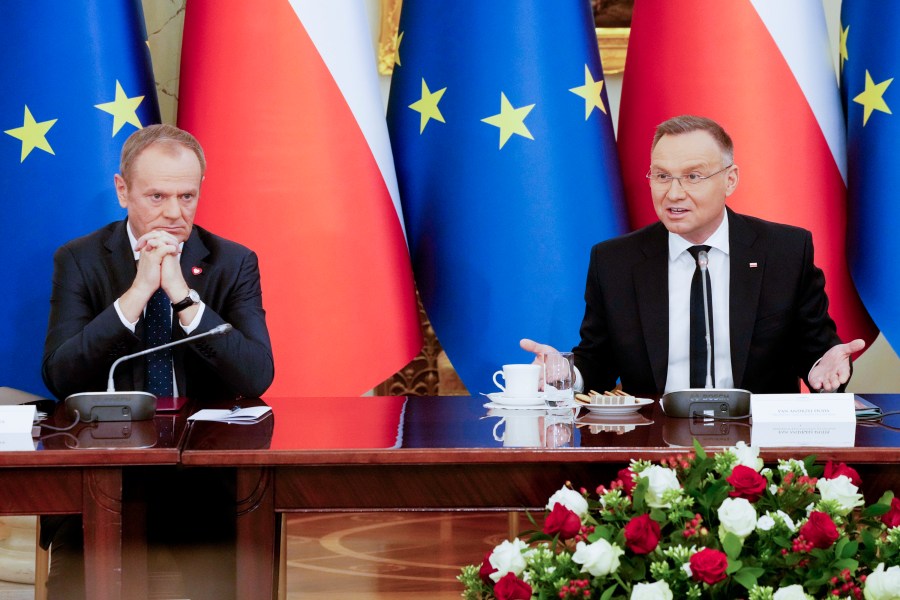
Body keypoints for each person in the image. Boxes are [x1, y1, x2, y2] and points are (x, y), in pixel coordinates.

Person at [40, 124, 274, 600]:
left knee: (233, 577)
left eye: (187, 196)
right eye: (157, 197)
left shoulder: (232, 263)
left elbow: (256, 374)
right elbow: (60, 375)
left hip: (205, 479)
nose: (173, 214)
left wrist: (184, 298)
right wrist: (138, 293)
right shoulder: (81, 260)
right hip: (104, 471)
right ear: (123, 191)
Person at [522, 115, 864, 397]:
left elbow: (817, 353)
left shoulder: (785, 251)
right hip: (653, 449)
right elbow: (597, 361)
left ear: (730, 181)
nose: (673, 193)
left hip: (761, 448)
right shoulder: (615, 262)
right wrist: (565, 374)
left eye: (693, 177)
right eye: (661, 176)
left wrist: (826, 367)